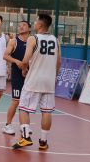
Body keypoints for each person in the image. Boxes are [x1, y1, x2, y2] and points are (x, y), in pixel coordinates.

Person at [12, 14, 61, 151]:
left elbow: (26, 59)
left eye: (35, 21)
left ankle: (26, 138)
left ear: (40, 24)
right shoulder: (56, 40)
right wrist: (54, 77)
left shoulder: (33, 38)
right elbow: (59, 62)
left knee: (23, 108)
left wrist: (23, 69)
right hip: (49, 81)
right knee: (47, 111)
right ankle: (43, 142)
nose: (34, 23)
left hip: (34, 79)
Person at [1, 20, 31, 135]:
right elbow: (5, 56)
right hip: (17, 75)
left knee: (26, 101)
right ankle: (7, 125)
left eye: (24, 25)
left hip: (29, 75)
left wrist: (28, 67)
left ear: (29, 28)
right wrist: (16, 61)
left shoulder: (33, 41)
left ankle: (25, 126)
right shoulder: (14, 41)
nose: (21, 27)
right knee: (16, 101)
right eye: (19, 25)